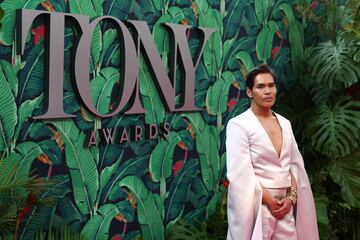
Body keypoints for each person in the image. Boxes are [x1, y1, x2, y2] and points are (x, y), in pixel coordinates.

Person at [226, 64, 319, 240]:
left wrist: (291, 198)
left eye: (271, 86)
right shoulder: (239, 125)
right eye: (261, 87)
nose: (268, 91)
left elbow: (294, 166)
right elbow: (240, 173)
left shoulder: (285, 123)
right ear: (249, 92)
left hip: (285, 206)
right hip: (256, 206)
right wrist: (269, 201)